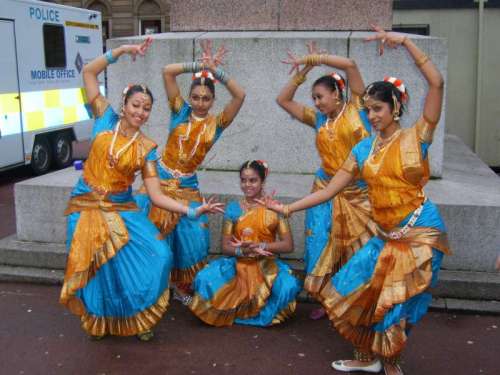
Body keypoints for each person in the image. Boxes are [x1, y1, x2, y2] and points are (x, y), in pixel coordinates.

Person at [260, 29, 450, 375]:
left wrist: (407, 43)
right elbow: (330, 190)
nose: (372, 116)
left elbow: (436, 85)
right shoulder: (363, 150)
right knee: (350, 289)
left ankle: (388, 361)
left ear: (394, 107)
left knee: (398, 301)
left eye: (377, 109)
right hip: (384, 235)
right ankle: (367, 357)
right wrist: (287, 208)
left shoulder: (417, 136)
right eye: (368, 109)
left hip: (421, 234)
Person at [60, 38, 223, 341]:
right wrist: (120, 52)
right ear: (124, 105)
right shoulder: (103, 117)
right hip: (86, 206)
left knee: (160, 254)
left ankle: (140, 313)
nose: (141, 112)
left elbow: (157, 195)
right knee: (101, 267)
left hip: (123, 208)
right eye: (136, 105)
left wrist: (191, 209)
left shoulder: (147, 148)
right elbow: (89, 74)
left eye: (147, 109)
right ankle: (100, 319)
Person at [135, 40, 246, 297]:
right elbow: (167, 71)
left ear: (213, 100)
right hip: (160, 180)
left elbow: (240, 95)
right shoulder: (179, 111)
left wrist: (216, 72)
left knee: (193, 238)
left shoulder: (217, 123)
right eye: (195, 97)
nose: (199, 102)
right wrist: (198, 66)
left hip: (187, 185)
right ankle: (153, 285)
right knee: (154, 236)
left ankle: (181, 286)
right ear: (189, 97)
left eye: (206, 99)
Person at [277, 42, 377, 319]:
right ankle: (324, 297)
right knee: (321, 242)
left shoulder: (359, 109)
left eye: (321, 96)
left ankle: (348, 296)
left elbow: (351, 66)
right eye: (314, 98)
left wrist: (317, 57)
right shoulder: (319, 119)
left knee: (353, 246)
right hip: (324, 188)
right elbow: (283, 100)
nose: (317, 102)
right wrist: (304, 71)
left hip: (357, 193)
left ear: (337, 93)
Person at [187, 160, 302, 327]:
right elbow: (225, 247)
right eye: (243, 180)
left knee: (288, 287)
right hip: (238, 264)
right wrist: (244, 252)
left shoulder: (275, 208)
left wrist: (260, 246)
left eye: (253, 180)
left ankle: (258, 313)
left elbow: (288, 245)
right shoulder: (233, 209)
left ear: (263, 181)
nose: (247, 185)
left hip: (266, 266)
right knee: (203, 279)